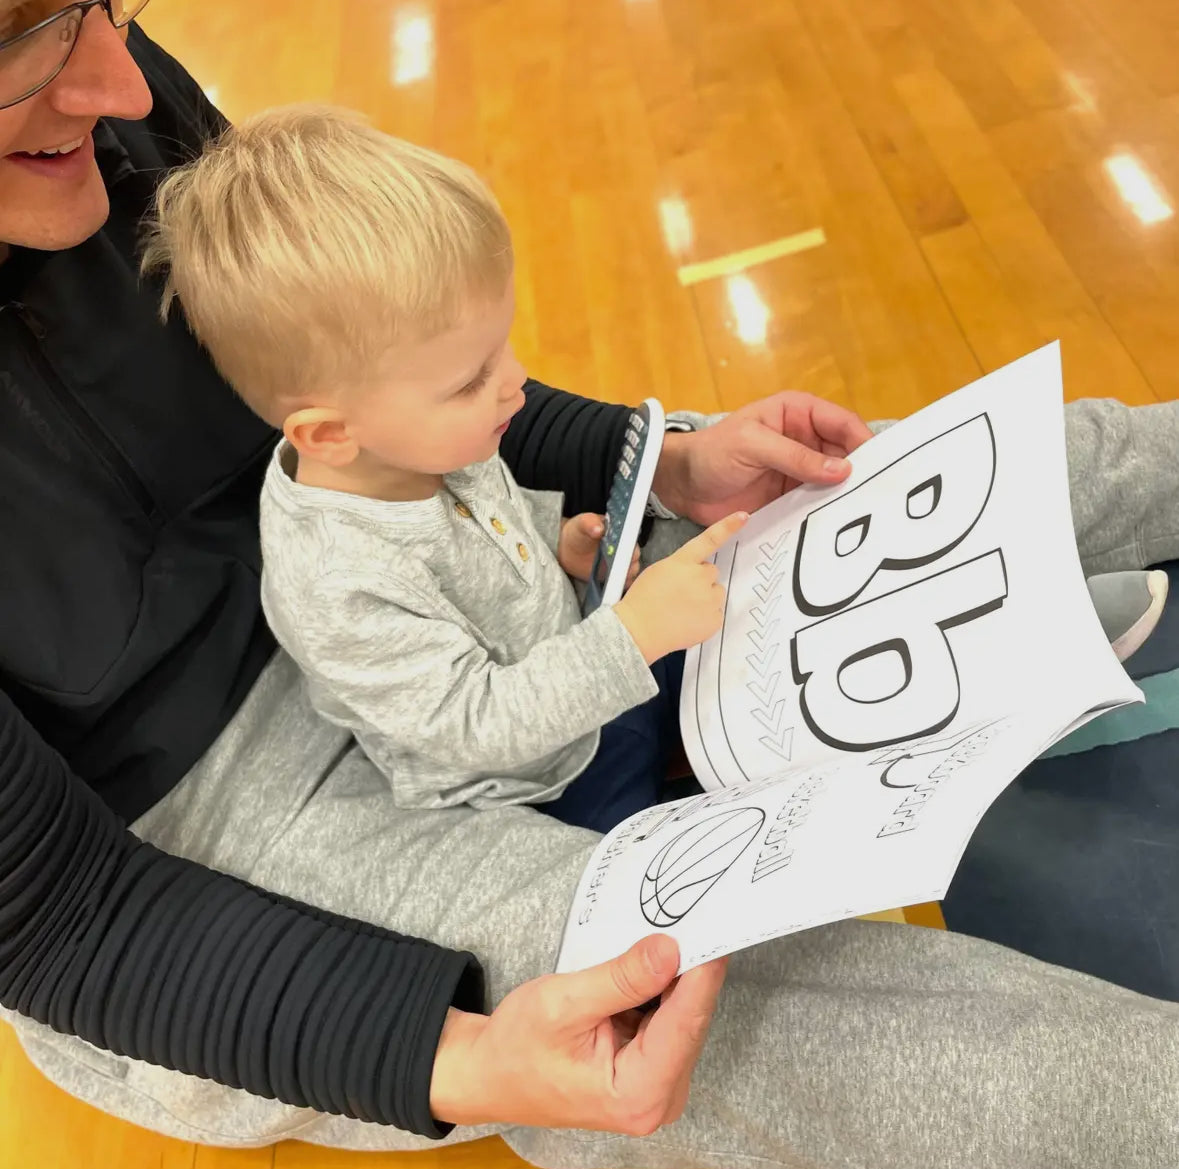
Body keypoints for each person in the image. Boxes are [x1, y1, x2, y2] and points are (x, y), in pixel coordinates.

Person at [3, 5, 1179, 1167]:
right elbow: (61, 910)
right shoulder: (346, 565)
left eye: (105, 7)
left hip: (504, 623)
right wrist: (438, 1051)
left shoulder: (138, 124)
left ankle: (1030, 620)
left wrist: (655, 459)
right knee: (697, 991)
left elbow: (399, 372)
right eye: (22, 40)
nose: (122, 84)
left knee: (859, 489)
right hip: (214, 826)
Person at [141, 105, 748, 832]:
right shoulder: (336, 582)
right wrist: (632, 634)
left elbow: (486, 511)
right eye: (469, 380)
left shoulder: (423, 442)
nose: (516, 382)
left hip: (587, 671)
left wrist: (552, 537)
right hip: (536, 779)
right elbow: (478, 725)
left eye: (502, 348)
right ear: (331, 433)